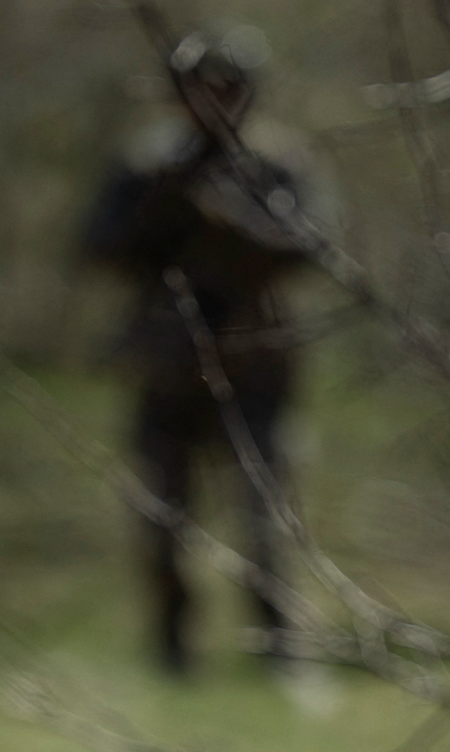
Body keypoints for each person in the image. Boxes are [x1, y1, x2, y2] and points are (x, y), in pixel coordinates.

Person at [77, 27, 328, 672]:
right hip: (167, 363)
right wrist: (169, 197)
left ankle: (279, 654)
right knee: (162, 521)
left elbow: (315, 249)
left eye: (229, 89)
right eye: (201, 89)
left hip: (256, 365)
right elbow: (98, 250)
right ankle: (172, 653)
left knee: (263, 522)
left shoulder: (277, 164)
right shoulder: (149, 164)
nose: (216, 101)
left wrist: (237, 221)